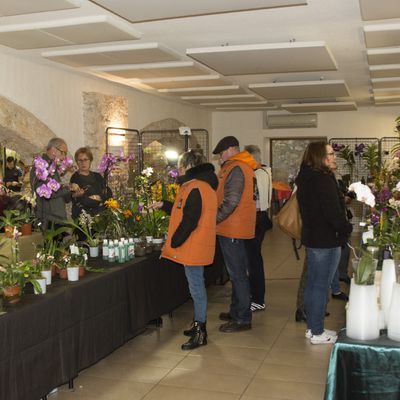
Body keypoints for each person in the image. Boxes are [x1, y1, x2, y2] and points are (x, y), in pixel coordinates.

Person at [157, 150, 218, 350]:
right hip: (196, 244)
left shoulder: (196, 187)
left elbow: (190, 220)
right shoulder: (201, 186)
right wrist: (164, 205)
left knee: (196, 289)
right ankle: (198, 324)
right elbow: (182, 209)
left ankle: (201, 331)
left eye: (181, 167)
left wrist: (173, 242)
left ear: (190, 166)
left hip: (193, 245)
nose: (178, 170)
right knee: (196, 287)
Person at [296, 141, 352, 344]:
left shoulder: (306, 178)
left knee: (313, 284)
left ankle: (313, 328)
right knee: (320, 286)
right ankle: (317, 332)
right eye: (330, 153)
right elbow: (333, 213)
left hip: (314, 238)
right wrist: (346, 228)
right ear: (320, 157)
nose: (334, 157)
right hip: (326, 239)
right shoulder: (323, 180)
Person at [213, 136, 257, 333]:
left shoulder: (237, 168)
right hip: (231, 227)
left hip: (232, 227)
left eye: (221, 153)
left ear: (231, 150)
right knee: (235, 273)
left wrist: (212, 219)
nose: (220, 158)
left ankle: (242, 318)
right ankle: (235, 311)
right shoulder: (235, 167)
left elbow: (231, 202)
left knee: (238, 274)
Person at [244, 144, 272, 312]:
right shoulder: (265, 172)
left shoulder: (257, 174)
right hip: (259, 219)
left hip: (255, 220)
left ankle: (258, 298)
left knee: (253, 261)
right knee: (253, 260)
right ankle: (255, 295)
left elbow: (255, 201)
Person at [30, 137, 71, 230]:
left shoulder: (51, 165)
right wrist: (68, 189)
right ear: (53, 149)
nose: (64, 157)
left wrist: (65, 188)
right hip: (49, 218)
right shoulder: (41, 166)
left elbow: (53, 188)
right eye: (63, 152)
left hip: (56, 217)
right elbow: (46, 194)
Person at [70, 147, 112, 219]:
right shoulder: (75, 178)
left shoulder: (97, 176)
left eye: (86, 159)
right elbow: (84, 201)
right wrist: (100, 199)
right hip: (83, 218)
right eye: (80, 160)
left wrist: (97, 197)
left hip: (100, 216)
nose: (83, 163)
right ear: (77, 162)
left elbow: (108, 193)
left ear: (90, 161)